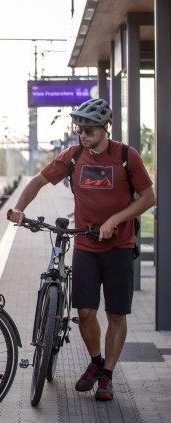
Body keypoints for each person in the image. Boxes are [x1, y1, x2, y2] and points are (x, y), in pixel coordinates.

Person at [8, 98, 155, 401]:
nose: (83, 135)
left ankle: (108, 376)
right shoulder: (73, 156)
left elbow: (148, 197)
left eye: (89, 130)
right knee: (86, 311)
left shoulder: (127, 156)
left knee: (116, 313)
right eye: (79, 129)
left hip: (119, 246)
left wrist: (116, 219)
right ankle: (97, 362)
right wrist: (19, 208)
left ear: (105, 128)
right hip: (86, 244)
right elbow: (38, 181)